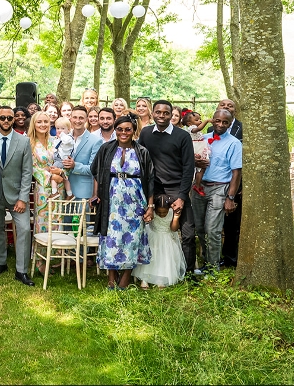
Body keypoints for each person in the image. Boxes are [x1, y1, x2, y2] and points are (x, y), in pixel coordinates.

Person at [91, 115, 155, 290]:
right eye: (120, 129)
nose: (123, 132)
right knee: (111, 238)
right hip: (111, 202)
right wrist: (96, 194)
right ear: (115, 130)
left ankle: (126, 276)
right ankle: (112, 277)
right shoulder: (106, 149)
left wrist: (150, 206)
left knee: (132, 239)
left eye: (127, 129)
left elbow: (150, 180)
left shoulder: (142, 151)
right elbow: (96, 172)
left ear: (133, 130)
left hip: (135, 203)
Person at [138, 100, 196, 275]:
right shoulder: (146, 133)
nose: (161, 116)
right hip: (154, 190)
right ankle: (152, 271)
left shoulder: (182, 136)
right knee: (151, 231)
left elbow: (189, 167)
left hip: (177, 189)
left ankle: (188, 272)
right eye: (158, 112)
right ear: (153, 113)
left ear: (171, 115)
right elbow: (142, 163)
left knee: (187, 232)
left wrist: (182, 197)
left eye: (165, 113)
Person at [0, 108, 35, 285]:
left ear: (14, 119)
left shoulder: (23, 141)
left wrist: (23, 198)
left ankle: (21, 270)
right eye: (2, 118)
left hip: (17, 196)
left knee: (24, 229)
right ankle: (0, 263)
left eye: (9, 118)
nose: (6, 120)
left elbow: (27, 171)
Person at [191, 108, 242, 273]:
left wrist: (230, 197)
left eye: (225, 122)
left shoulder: (234, 143)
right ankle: (207, 261)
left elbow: (236, 173)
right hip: (199, 187)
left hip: (220, 188)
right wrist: (196, 162)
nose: (221, 124)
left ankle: (213, 267)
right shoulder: (203, 139)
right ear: (212, 120)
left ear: (229, 123)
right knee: (199, 228)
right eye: (218, 121)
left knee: (212, 229)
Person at [134, 193, 186, 288]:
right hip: (153, 237)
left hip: (167, 238)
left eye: (164, 212)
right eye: (159, 212)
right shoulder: (152, 212)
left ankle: (161, 279)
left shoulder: (172, 213)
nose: (161, 214)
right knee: (151, 257)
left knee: (164, 258)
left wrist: (176, 217)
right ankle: (145, 279)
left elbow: (174, 229)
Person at [27, 112, 65, 237]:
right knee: (43, 220)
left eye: (45, 121)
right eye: (39, 122)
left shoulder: (56, 141)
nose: (43, 124)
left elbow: (64, 160)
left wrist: (60, 172)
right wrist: (50, 176)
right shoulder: (29, 143)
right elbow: (32, 167)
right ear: (34, 124)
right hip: (43, 187)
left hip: (59, 185)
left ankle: (58, 254)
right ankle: (41, 254)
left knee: (58, 219)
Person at [61, 106, 103, 200]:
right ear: (70, 118)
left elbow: (93, 169)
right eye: (75, 117)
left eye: (81, 118)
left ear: (86, 120)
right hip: (62, 191)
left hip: (83, 191)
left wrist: (74, 165)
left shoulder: (95, 141)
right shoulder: (63, 138)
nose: (77, 120)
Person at [52, 117, 75, 197]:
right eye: (58, 128)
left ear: (69, 130)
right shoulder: (59, 138)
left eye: (62, 128)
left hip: (61, 160)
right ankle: (69, 193)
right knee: (65, 178)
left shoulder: (68, 138)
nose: (59, 130)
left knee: (53, 174)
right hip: (61, 159)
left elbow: (65, 141)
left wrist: (61, 135)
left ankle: (54, 192)